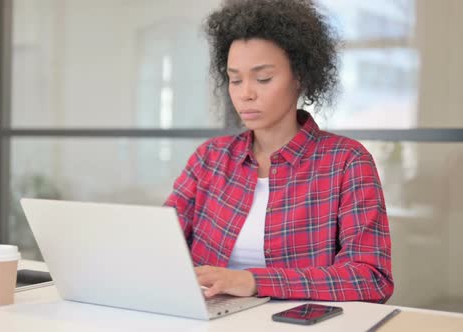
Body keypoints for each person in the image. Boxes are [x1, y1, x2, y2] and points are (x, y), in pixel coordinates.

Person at [164, 0, 393, 303]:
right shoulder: (210, 158)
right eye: (235, 80)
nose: (246, 93)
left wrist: (252, 281)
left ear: (300, 77)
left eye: (263, 78)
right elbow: (159, 245)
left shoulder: (346, 161)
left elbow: (371, 278)